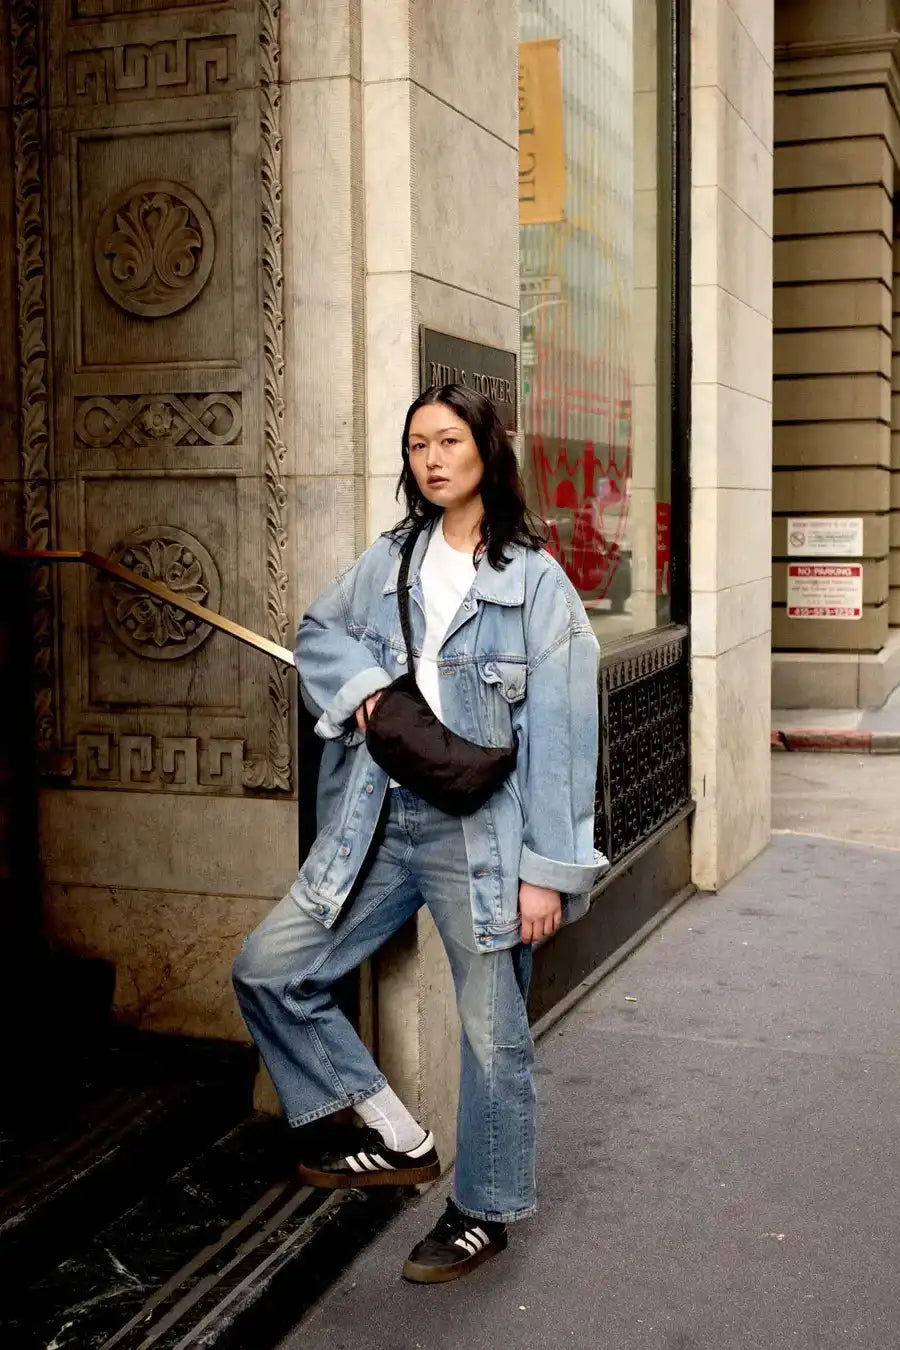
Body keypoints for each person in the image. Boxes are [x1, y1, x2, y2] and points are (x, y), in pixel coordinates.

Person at [233, 384, 605, 1283]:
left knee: (492, 1035)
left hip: (481, 838)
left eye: (447, 441)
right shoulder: (393, 558)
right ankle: (396, 1136)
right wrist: (363, 685)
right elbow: (317, 629)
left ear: (486, 450)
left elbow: (560, 738)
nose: (431, 460)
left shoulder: (535, 584)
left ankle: (481, 1211)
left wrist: (546, 873)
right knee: (271, 968)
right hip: (379, 818)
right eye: (415, 447)